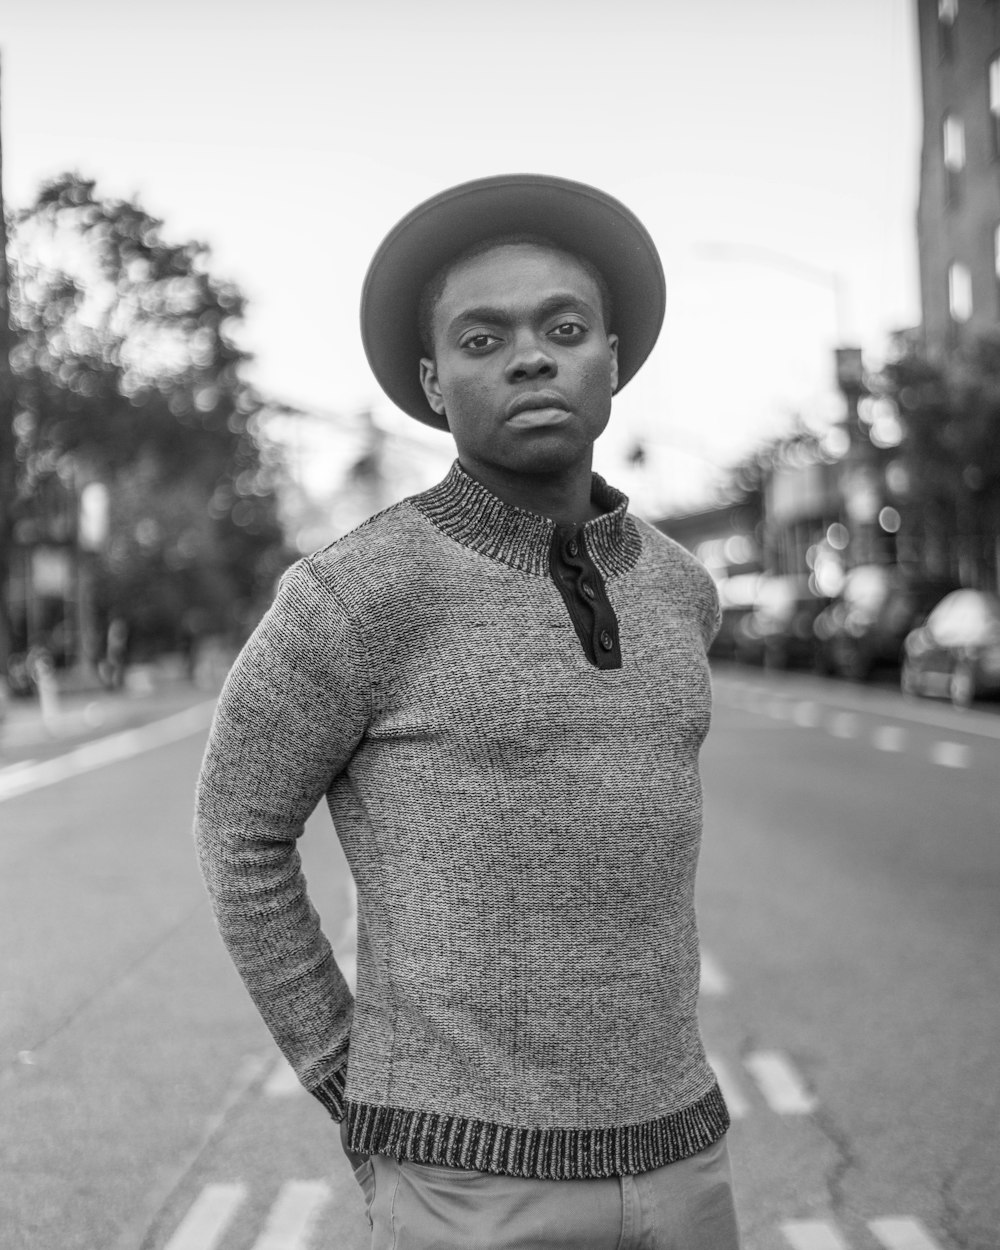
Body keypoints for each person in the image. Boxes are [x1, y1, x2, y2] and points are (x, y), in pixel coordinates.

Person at [195, 173, 740, 1249]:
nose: (531, 356)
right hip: (462, 1183)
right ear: (434, 382)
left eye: (564, 327)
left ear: (613, 361)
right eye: (482, 339)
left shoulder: (683, 589)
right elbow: (237, 830)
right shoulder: (352, 595)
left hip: (684, 1156)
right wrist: (342, 1070)